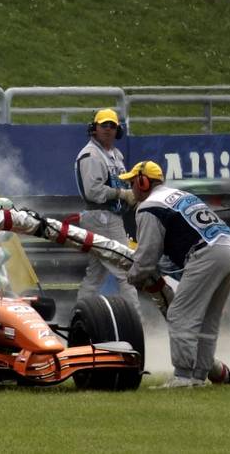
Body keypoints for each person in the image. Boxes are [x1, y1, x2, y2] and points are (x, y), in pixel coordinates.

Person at [122, 160, 230, 389]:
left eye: (133, 182)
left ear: (143, 181)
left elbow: (146, 257)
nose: (132, 188)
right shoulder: (178, 194)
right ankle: (199, 375)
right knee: (208, 319)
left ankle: (183, 376)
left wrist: (133, 277)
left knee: (180, 315)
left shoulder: (148, 207)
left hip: (206, 253)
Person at [73, 108, 140, 313]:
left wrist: (130, 195)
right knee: (126, 269)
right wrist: (122, 194)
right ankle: (136, 318)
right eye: (104, 125)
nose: (108, 129)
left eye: (112, 126)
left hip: (107, 217)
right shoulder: (91, 155)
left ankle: (79, 314)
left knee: (95, 274)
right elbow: (94, 192)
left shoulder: (114, 154)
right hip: (101, 216)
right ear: (94, 129)